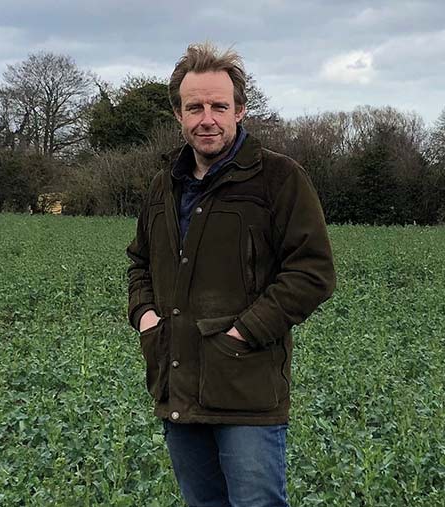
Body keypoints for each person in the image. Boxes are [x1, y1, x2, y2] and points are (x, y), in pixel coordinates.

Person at [127, 42, 336, 506]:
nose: (207, 118)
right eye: (195, 106)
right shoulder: (164, 185)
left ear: (240, 110)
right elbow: (140, 262)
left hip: (247, 392)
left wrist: (243, 333)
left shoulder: (279, 179)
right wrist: (145, 317)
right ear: (178, 115)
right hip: (177, 383)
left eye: (219, 106)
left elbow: (313, 271)